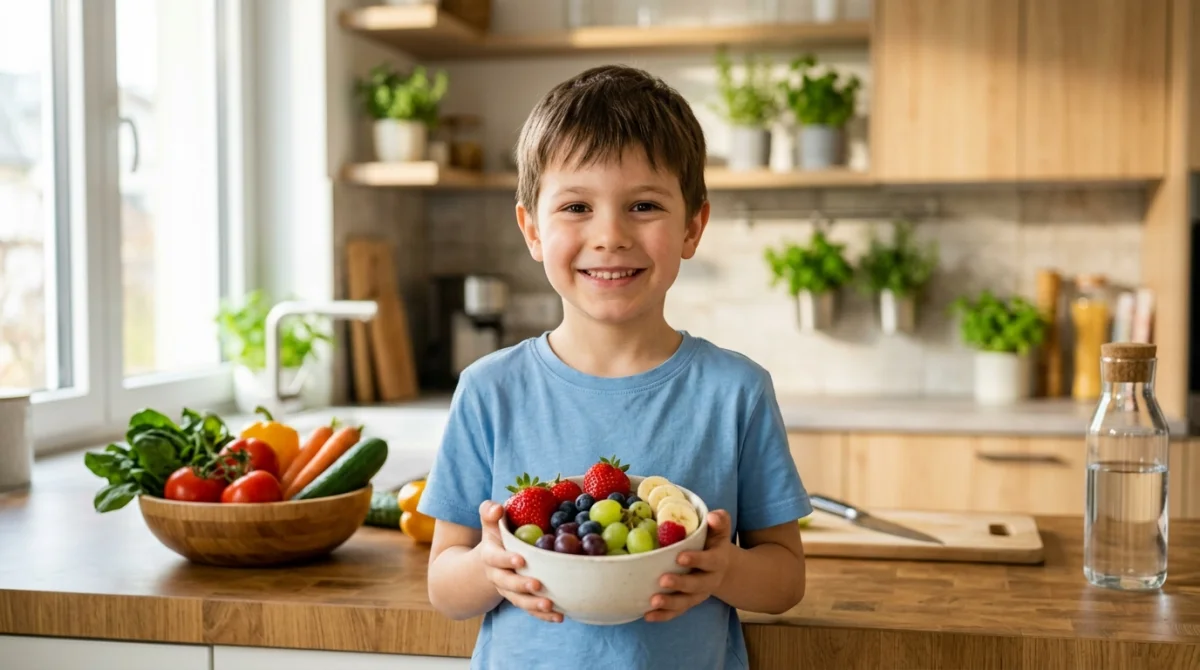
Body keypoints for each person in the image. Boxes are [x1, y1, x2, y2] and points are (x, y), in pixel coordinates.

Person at [417, 64, 811, 669]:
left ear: (693, 226)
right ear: (532, 229)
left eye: (644, 205)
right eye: (576, 205)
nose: (609, 235)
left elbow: (784, 580)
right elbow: (445, 584)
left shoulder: (737, 392)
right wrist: (488, 568)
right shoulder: (489, 389)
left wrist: (724, 567)